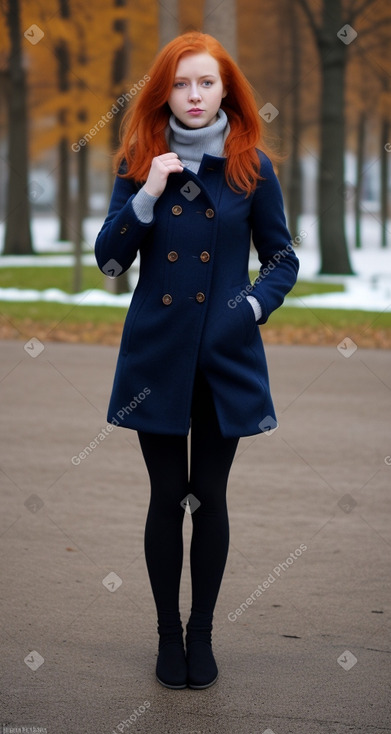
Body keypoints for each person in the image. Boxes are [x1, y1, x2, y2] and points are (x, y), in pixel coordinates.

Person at [95, 30, 299, 690]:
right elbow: (108, 260)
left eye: (205, 82)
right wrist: (147, 193)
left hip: (222, 353)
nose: (192, 95)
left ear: (224, 90)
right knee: (165, 496)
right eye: (180, 83)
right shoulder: (137, 161)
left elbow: (280, 258)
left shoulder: (252, 165)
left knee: (206, 496)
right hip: (156, 353)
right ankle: (165, 635)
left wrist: (247, 309)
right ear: (163, 92)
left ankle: (202, 632)